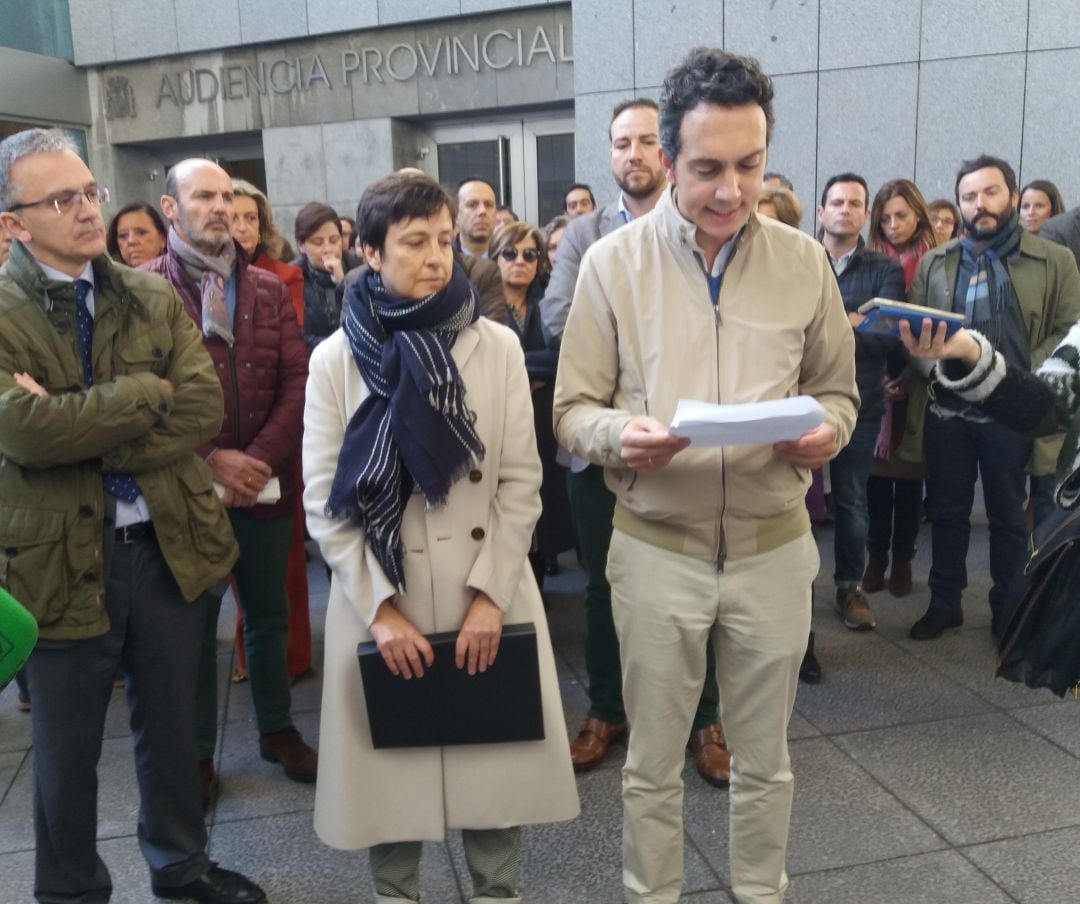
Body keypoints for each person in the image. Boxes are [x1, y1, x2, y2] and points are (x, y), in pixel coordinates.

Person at [553, 50, 858, 904]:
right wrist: (621, 435)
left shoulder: (803, 262)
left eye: (750, 165)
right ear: (663, 157)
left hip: (773, 549)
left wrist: (825, 431)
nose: (731, 190)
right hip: (656, 550)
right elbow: (572, 408)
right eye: (707, 169)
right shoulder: (614, 264)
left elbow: (839, 390)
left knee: (766, 764)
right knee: (651, 768)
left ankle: (761, 894)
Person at [0, 128, 265, 904]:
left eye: (90, 192)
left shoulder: (148, 292)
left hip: (169, 544)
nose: (86, 210)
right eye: (60, 199)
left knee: (175, 726)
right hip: (54, 559)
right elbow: (19, 430)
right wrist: (142, 394)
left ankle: (180, 867)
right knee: (66, 749)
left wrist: (80, 430)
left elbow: (202, 409)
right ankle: (71, 891)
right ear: (12, 221)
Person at [303, 171, 579, 903]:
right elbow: (325, 503)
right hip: (382, 598)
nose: (436, 258)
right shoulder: (335, 359)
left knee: (494, 785)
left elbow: (523, 482)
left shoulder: (495, 347)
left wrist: (492, 595)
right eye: (415, 242)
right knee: (392, 792)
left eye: (446, 241)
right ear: (368, 252)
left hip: (483, 586)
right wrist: (380, 612)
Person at [542, 97, 731, 789]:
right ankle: (606, 711)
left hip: (691, 447)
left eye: (646, 141)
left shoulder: (710, 225)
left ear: (670, 151)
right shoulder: (582, 236)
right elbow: (560, 320)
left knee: (699, 583)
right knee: (602, 587)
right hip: (599, 445)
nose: (633, 154)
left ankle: (704, 719)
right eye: (621, 142)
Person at [146, 158, 317, 799]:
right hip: (187, 491)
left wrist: (262, 460)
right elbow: (143, 400)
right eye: (203, 196)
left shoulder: (270, 289)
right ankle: (195, 754)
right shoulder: (143, 292)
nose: (219, 207)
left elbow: (297, 380)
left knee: (268, 615)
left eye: (227, 195)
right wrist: (212, 458)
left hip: (265, 487)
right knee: (193, 626)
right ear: (171, 209)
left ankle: (276, 729)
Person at [904, 154, 1080, 640]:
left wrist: (1015, 380)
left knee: (1006, 515)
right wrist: (934, 366)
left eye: (990, 193)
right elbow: (916, 332)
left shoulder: (1054, 260)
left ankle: (1008, 606)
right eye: (969, 196)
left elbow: (1067, 334)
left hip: (1013, 411)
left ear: (1012, 196)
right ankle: (944, 603)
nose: (979, 204)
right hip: (948, 407)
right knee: (946, 510)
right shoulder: (938, 262)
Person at [230, 178, 313, 685]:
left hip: (274, 438)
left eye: (249, 218)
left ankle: (293, 657)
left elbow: (290, 363)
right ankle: (249, 655)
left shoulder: (282, 276)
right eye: (231, 215)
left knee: (283, 562)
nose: (240, 226)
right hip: (216, 442)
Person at [817, 173, 906, 631]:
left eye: (855, 203)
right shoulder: (799, 259)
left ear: (865, 213)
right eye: (836, 202)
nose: (845, 209)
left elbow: (885, 338)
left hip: (860, 399)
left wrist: (823, 326)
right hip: (799, 400)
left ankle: (848, 586)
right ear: (821, 211)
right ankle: (789, 589)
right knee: (788, 500)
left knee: (852, 500)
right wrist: (852, 318)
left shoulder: (883, 269)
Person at [863, 178, 939, 599]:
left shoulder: (935, 261)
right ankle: (876, 557)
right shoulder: (871, 260)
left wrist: (913, 375)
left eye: (902, 216)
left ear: (918, 215)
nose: (893, 225)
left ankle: (904, 559)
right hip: (877, 379)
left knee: (910, 481)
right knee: (876, 482)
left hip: (920, 381)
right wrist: (880, 380)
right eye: (885, 217)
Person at [488, 221, 573, 585]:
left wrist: (517, 364)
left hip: (544, 423)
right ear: (494, 258)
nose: (519, 261)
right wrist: (530, 365)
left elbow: (567, 356)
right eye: (509, 253)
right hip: (498, 423)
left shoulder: (549, 304)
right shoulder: (479, 304)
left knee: (542, 517)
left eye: (530, 254)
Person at [293, 201, 345, 351]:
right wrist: (341, 349)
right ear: (301, 245)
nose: (328, 249)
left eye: (334, 240)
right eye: (318, 242)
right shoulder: (292, 279)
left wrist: (343, 284)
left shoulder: (357, 270)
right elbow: (300, 337)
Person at [106, 200, 168, 267]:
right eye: (123, 236)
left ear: (163, 239)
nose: (131, 241)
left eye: (142, 233)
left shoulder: (177, 275)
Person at [456, 176, 498, 257]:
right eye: (472, 205)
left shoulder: (511, 259)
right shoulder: (441, 261)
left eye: (488, 205)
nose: (482, 211)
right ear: (456, 214)